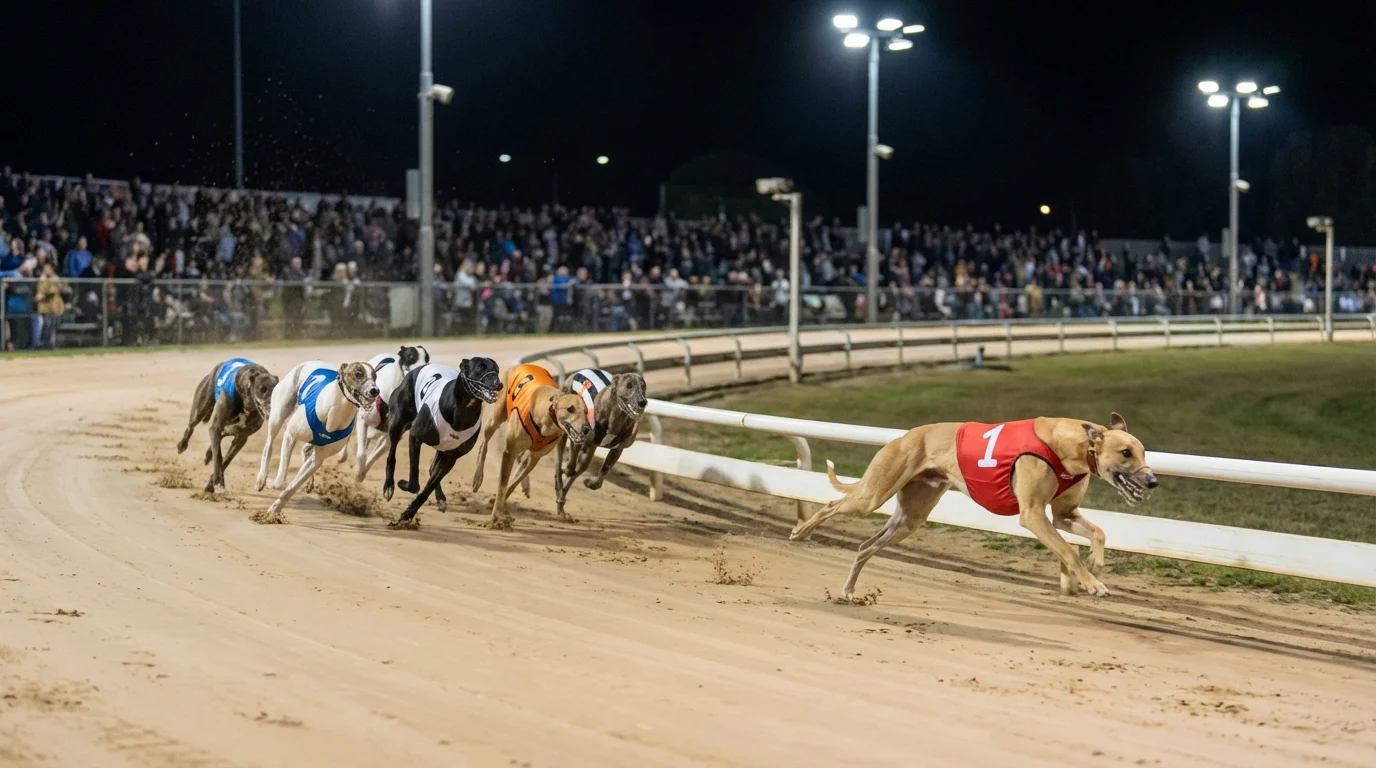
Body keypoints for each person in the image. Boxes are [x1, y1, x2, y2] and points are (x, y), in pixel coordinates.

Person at [33, 262, 65, 350]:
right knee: (46, 326)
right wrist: (41, 281)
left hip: (54, 307)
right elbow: (39, 290)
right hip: (44, 308)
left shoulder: (55, 278)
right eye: (44, 269)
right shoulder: (42, 279)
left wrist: (43, 295)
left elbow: (53, 290)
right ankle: (45, 344)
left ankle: (50, 345)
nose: (45, 270)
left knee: (51, 327)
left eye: (47, 268)